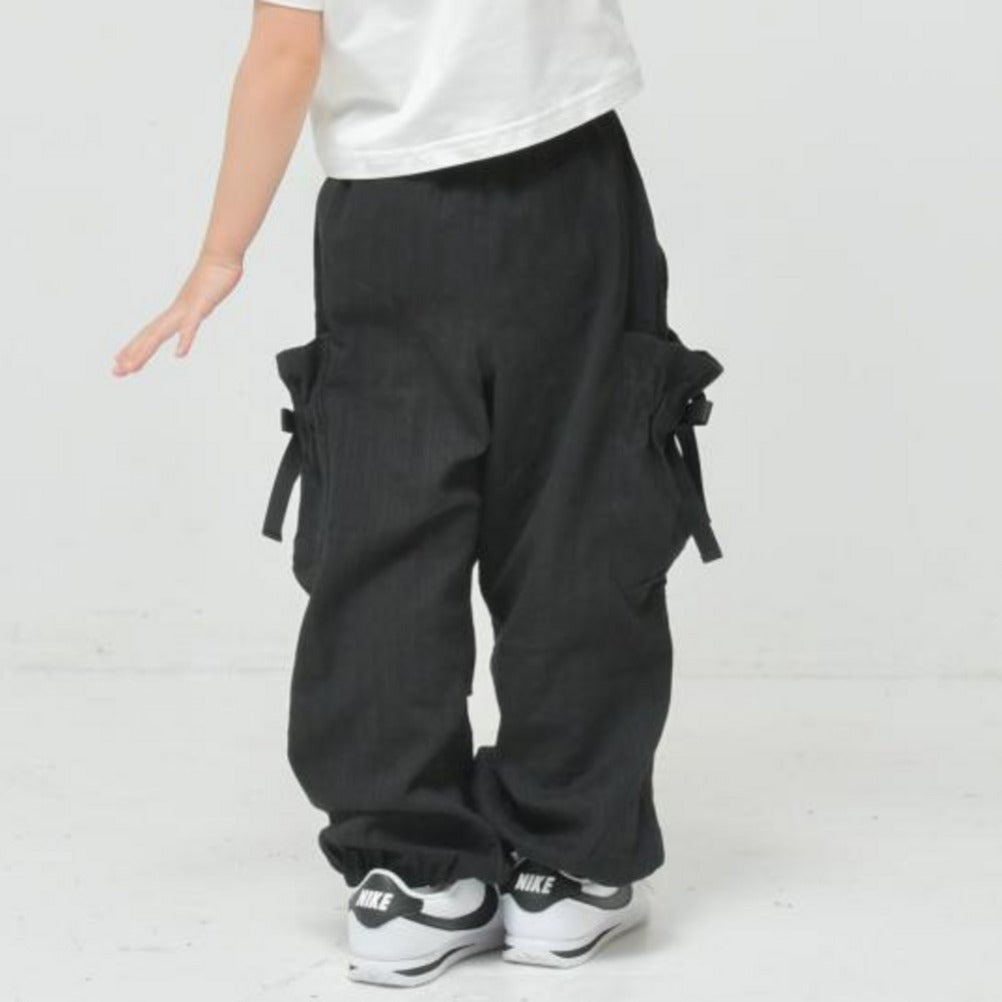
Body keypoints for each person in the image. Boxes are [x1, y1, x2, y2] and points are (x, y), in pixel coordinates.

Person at [112, 0, 723, 988]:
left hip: (391, 215)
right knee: (578, 512)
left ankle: (410, 874)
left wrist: (222, 251)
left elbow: (284, 48)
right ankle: (566, 865)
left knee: (384, 528)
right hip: (568, 180)